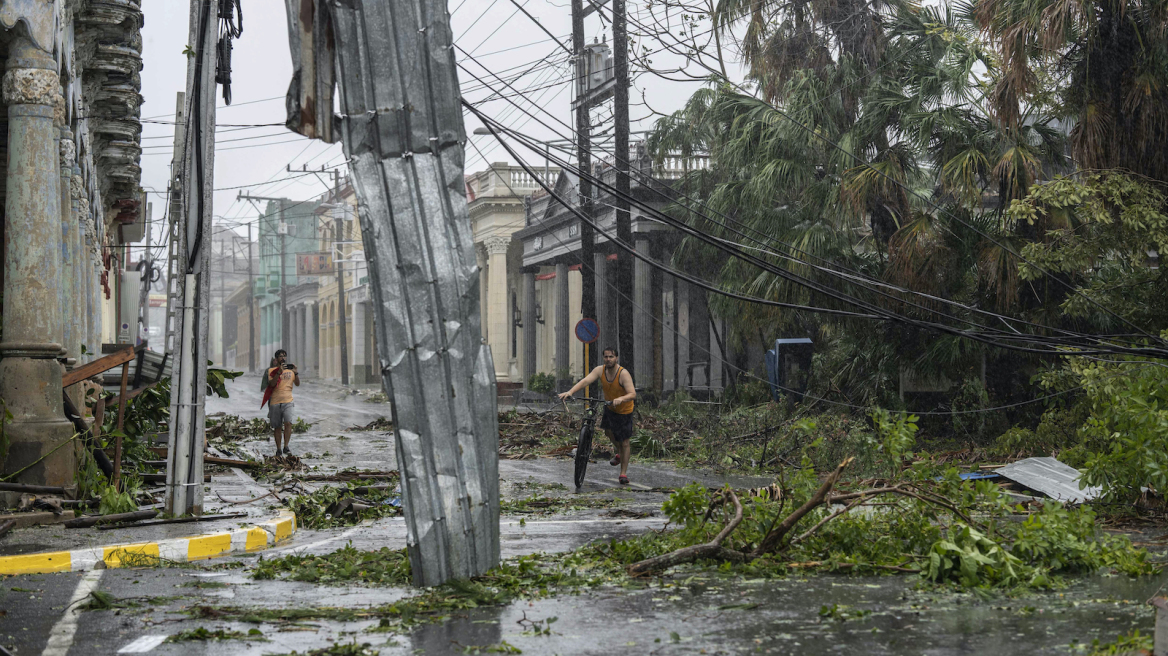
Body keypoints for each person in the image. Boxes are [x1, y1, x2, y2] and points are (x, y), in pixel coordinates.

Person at [558, 347, 637, 485]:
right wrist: (570, 392)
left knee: (625, 442)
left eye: (611, 357)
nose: (608, 359)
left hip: (624, 410)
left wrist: (621, 399)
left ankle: (623, 473)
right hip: (610, 408)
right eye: (606, 357)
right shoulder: (600, 370)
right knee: (609, 433)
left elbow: (632, 394)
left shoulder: (623, 374)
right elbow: (585, 381)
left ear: (616, 358)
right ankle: (619, 454)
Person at [265, 349, 300, 456]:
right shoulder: (272, 371)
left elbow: (297, 384)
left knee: (288, 423)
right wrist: (279, 372)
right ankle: (279, 448)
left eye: (284, 356)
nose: (283, 358)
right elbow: (271, 384)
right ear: (276, 359)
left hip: (288, 401)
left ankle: (286, 446)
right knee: (277, 427)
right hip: (275, 402)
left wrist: (296, 372)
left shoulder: (291, 371)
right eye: (280, 356)